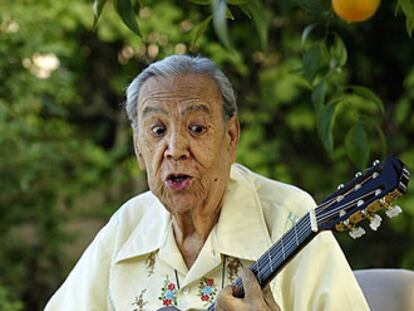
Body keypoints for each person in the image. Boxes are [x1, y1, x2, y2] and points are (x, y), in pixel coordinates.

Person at [45, 55, 369, 310]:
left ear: (231, 137)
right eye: (157, 131)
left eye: (197, 129)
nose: (174, 149)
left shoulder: (290, 217)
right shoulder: (129, 225)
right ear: (138, 148)